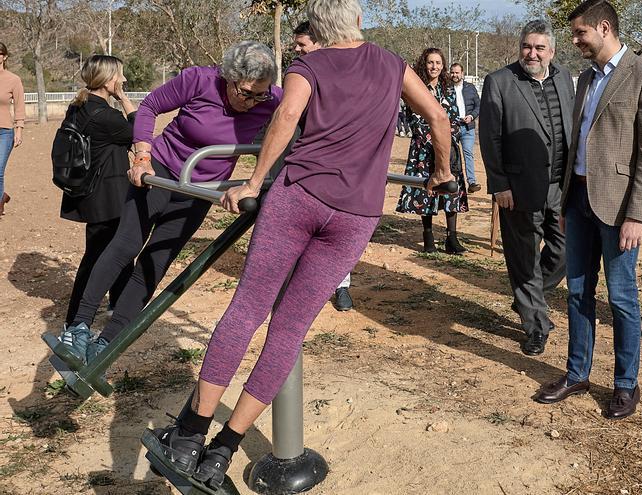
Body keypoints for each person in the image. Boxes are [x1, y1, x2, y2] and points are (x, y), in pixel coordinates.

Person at [141, 0, 454, 488]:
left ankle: (188, 440)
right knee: (289, 331)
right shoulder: (393, 65)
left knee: (246, 310)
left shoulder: (309, 64)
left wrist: (252, 182)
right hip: (356, 214)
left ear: (319, 30)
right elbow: (437, 117)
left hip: (299, 196)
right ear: (360, 22)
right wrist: (441, 171)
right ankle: (222, 451)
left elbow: (286, 115)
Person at [52, 41, 282, 369]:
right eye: (246, 92)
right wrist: (143, 156)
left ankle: (106, 343)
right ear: (228, 78)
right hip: (161, 170)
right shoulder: (200, 80)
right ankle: (77, 328)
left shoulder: (271, 99)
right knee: (125, 244)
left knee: (156, 261)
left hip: (199, 190)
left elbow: (297, 117)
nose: (253, 101)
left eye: (261, 94)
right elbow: (149, 108)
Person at [535, 0, 642, 420]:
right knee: (577, 292)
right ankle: (577, 373)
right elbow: (576, 143)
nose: (575, 41)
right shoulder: (586, 79)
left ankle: (626, 385)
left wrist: (638, 214)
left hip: (619, 210)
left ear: (605, 27)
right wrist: (562, 201)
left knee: (622, 297)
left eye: (580, 33)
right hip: (577, 202)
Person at [480, 19, 574, 356]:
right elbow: (489, 138)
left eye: (538, 48)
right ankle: (536, 325)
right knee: (523, 259)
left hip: (560, 187)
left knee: (565, 251)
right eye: (526, 46)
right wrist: (499, 184)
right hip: (518, 189)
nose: (531, 53)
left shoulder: (564, 78)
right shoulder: (500, 81)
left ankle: (526, 297)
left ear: (552, 51)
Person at [60, 55, 137, 328]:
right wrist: (125, 100)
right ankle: (75, 320)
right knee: (95, 257)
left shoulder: (78, 107)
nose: (124, 81)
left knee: (121, 248)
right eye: (120, 76)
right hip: (107, 196)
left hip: (93, 193)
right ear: (108, 81)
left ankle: (119, 304)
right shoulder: (106, 116)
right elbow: (140, 133)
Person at [287, 20, 353, 311]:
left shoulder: (343, 76)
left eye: (302, 44)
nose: (297, 49)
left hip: (337, 167)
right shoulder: (300, 72)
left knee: (335, 234)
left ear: (320, 42)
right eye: (296, 44)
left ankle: (341, 286)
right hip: (302, 165)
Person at [396, 48, 469, 255]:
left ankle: (451, 238)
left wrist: (447, 137)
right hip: (423, 148)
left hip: (447, 146)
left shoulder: (449, 88)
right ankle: (428, 237)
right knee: (425, 190)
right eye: (430, 62)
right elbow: (414, 117)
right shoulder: (416, 87)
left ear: (443, 65)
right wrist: (431, 135)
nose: (434, 66)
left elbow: (454, 117)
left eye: (438, 62)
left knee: (451, 188)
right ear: (424, 64)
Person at [0, 42, 24, 216]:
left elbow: (20, 106)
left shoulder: (13, 79)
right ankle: (2, 196)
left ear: (5, 56)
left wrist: (19, 130)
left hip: (4, 131)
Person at [449, 62, 482, 193]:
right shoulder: (446, 88)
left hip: (468, 127)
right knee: (452, 155)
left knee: (468, 153)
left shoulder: (470, 88)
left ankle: (472, 182)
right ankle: (453, 182)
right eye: (452, 72)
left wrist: (472, 116)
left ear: (462, 73)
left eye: (457, 72)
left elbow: (478, 106)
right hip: (452, 127)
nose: (454, 75)